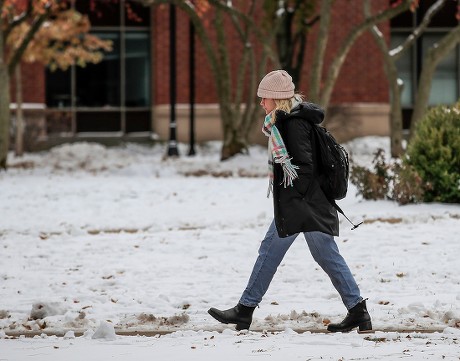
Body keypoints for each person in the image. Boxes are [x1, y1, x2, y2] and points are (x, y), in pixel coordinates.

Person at [208, 70, 371, 333]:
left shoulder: (292, 124)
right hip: (307, 204)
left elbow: (303, 168)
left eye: (264, 98)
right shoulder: (288, 121)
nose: (261, 103)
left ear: (276, 99)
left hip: (303, 205)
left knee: (273, 251)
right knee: (322, 256)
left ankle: (244, 310)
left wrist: (294, 198)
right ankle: (358, 313)